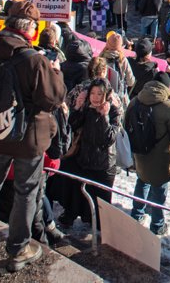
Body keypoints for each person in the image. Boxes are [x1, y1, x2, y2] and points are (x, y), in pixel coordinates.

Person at [0, 0, 66, 272]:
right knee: (26, 192)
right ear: (29, 29)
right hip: (28, 137)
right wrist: (55, 73)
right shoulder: (35, 60)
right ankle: (18, 249)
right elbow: (53, 98)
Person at [125, 71, 170, 235]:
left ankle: (136, 214)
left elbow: (125, 123)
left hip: (139, 153)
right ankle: (157, 224)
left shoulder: (135, 101)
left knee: (142, 181)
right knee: (159, 190)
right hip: (160, 157)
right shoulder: (168, 107)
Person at [62, 78, 121, 235]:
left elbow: (108, 138)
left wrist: (104, 117)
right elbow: (71, 126)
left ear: (106, 94)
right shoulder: (87, 108)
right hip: (85, 161)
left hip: (104, 165)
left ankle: (101, 232)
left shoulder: (114, 110)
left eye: (99, 93)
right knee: (78, 195)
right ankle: (70, 217)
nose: (95, 97)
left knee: (101, 202)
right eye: (93, 93)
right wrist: (77, 107)